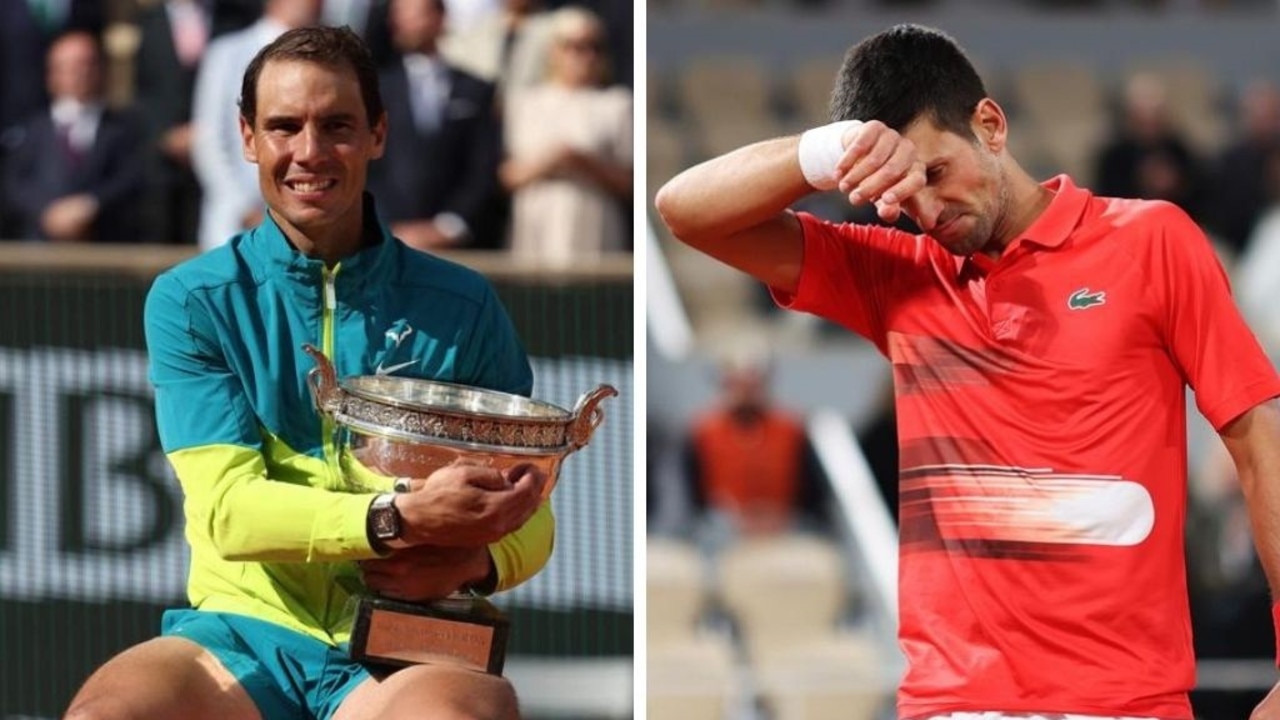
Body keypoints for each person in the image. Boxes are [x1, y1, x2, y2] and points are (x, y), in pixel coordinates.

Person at [655, 23, 1280, 720]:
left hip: (1124, 705)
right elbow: (684, 211)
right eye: (903, 196)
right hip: (948, 707)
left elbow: (1258, 440)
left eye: (935, 174)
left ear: (990, 124)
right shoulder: (897, 277)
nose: (926, 212)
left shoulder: (1152, 241)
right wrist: (828, 152)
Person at [64, 26, 551, 720]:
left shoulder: (464, 304)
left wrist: (478, 565)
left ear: (379, 134)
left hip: (407, 644)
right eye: (284, 127)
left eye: (338, 126)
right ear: (247, 137)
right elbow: (229, 513)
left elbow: (532, 515)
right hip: (237, 634)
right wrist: (397, 518)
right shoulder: (192, 298)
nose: (309, 152)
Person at [367, 0, 505, 250]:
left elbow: (484, 165)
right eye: (399, 15)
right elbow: (367, 165)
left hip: (461, 247)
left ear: (440, 18)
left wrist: (451, 225)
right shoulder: (374, 90)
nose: (403, 22)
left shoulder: (476, 89)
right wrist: (387, 227)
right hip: (385, 241)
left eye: (414, 14)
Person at [499, 6, 631, 264]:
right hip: (535, 224)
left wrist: (582, 161)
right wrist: (549, 161)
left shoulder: (617, 103)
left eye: (595, 46)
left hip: (594, 223)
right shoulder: (524, 103)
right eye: (575, 46)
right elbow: (506, 175)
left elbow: (629, 182)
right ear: (553, 51)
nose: (587, 55)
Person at [191, 0, 321, 251]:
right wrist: (245, 207)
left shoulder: (332, 59)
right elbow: (209, 141)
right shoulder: (227, 52)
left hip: (306, 227)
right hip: (233, 226)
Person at [2, 30, 144, 243]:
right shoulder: (31, 130)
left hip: (106, 252)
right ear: (52, 75)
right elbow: (14, 184)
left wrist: (90, 205)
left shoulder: (124, 128)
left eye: (87, 64)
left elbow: (132, 179)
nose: (80, 73)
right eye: (70, 67)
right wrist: (47, 212)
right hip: (39, 252)